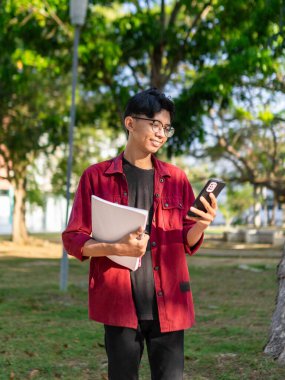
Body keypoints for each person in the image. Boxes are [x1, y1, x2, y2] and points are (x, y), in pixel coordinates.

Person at [62, 88, 218, 380]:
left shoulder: (176, 178)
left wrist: (201, 225)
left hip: (169, 303)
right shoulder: (96, 177)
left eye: (166, 128)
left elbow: (186, 239)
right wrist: (116, 248)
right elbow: (73, 238)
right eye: (155, 124)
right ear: (130, 123)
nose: (161, 133)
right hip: (119, 304)